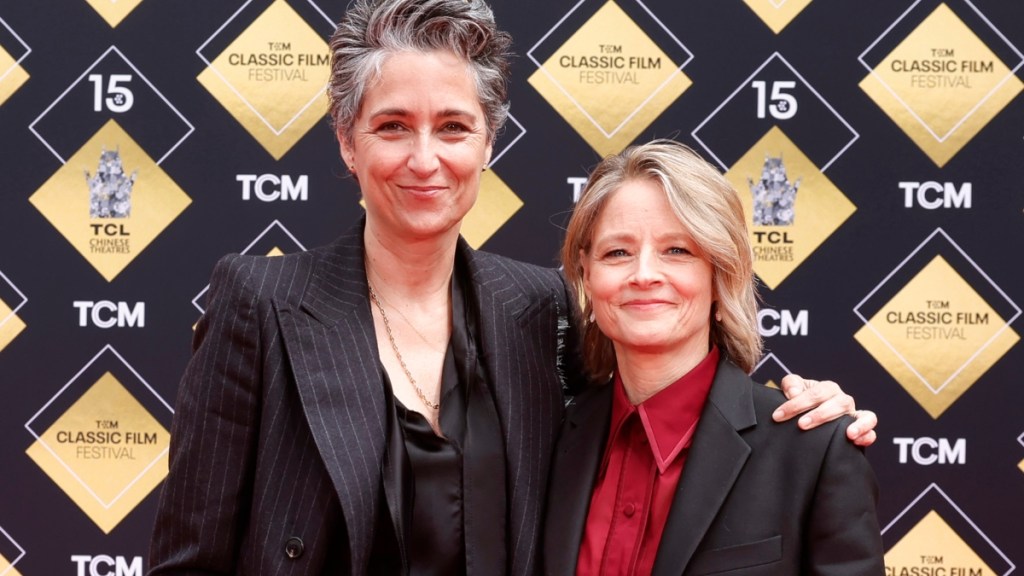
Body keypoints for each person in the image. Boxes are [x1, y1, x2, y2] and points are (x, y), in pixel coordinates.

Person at [147, 1, 878, 574]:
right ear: (347, 140)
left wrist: (803, 406)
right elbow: (189, 561)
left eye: (455, 127)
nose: (424, 159)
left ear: (489, 142)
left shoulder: (538, 310)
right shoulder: (261, 302)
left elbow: (671, 405)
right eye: (393, 126)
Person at [544, 140, 884, 575]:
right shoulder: (548, 440)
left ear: (721, 278)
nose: (644, 274)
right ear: (587, 276)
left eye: (677, 251)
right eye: (617, 252)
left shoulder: (813, 449)